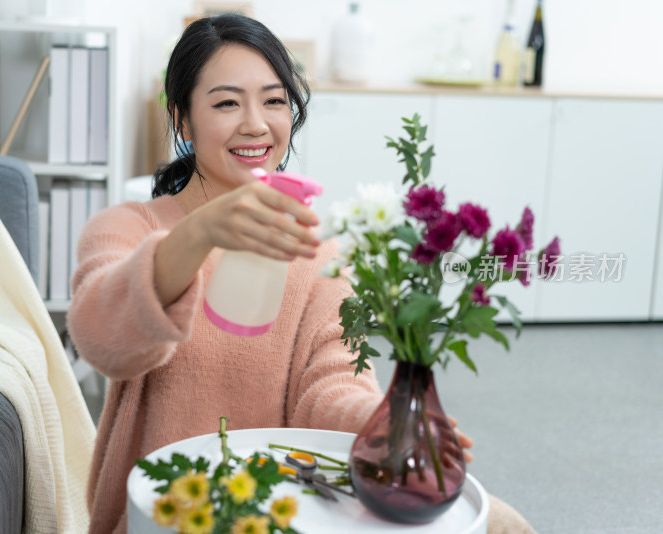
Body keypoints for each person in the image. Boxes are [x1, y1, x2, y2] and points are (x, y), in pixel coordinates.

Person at [67, 13, 534, 534]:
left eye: (273, 100)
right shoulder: (128, 229)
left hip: (282, 508)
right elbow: (101, 340)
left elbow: (332, 382)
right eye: (226, 102)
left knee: (502, 522)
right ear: (182, 120)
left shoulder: (318, 252)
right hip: (166, 511)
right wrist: (199, 234)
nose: (256, 124)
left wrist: (384, 426)